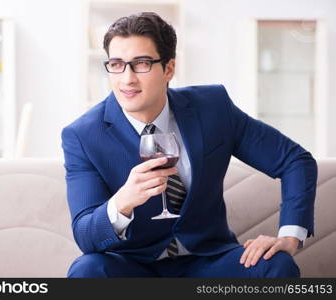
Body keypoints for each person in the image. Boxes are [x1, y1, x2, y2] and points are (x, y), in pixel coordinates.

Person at [61, 12, 317, 277]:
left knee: (277, 266)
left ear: (169, 68)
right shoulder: (83, 136)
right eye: (116, 64)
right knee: (86, 271)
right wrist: (123, 201)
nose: (127, 79)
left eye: (141, 64)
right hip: (133, 266)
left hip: (210, 261)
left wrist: (290, 236)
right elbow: (86, 236)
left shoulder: (213, 108)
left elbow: (294, 160)